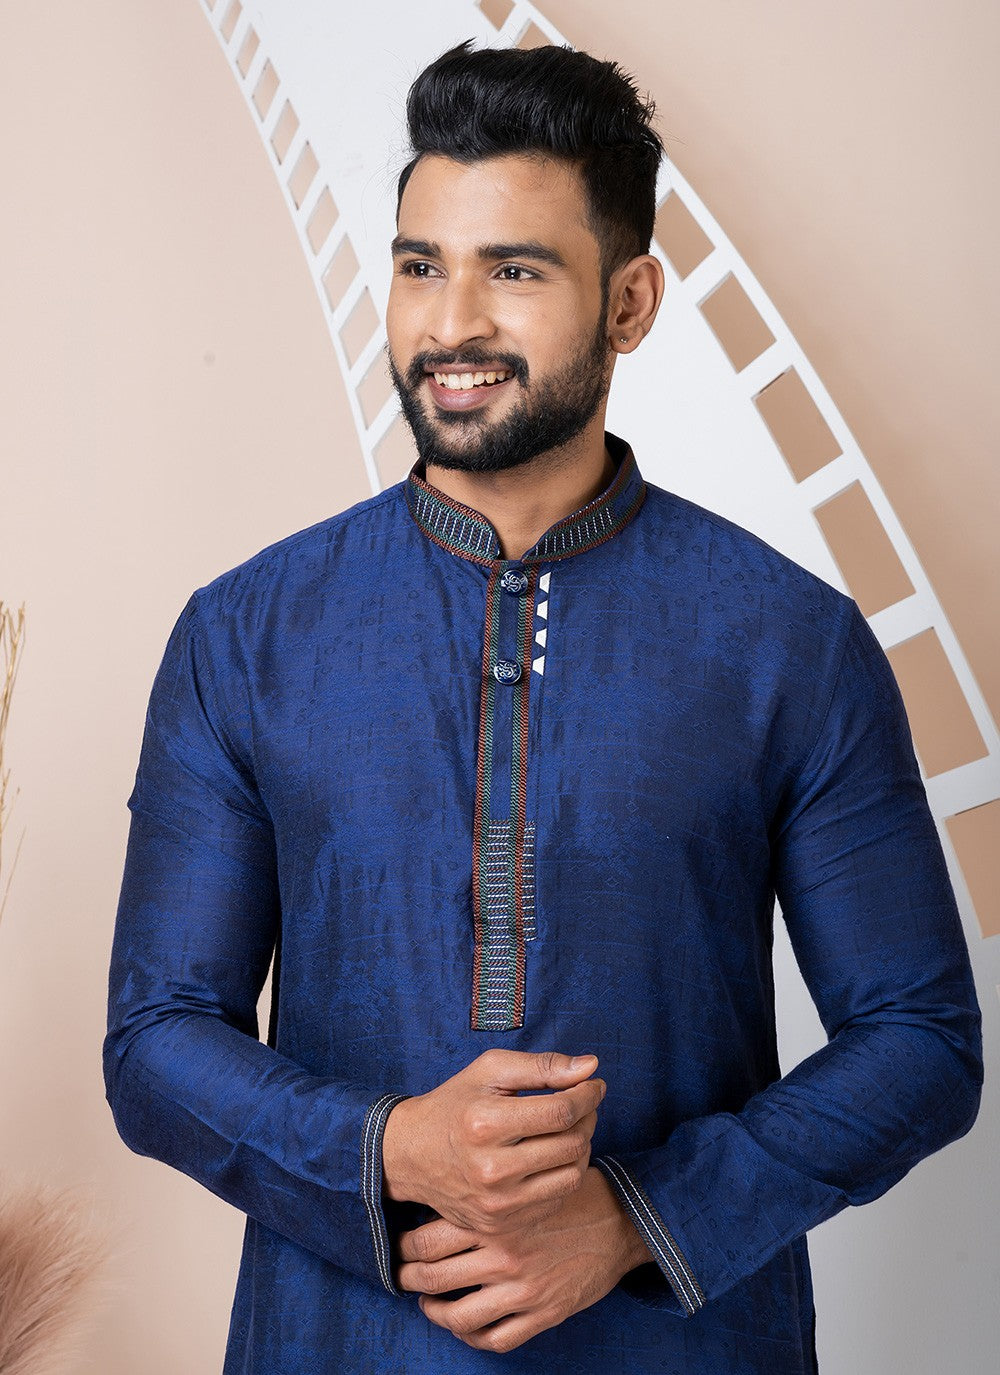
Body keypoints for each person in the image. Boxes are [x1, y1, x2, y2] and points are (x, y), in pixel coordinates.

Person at [103, 39, 983, 1374]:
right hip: (340, 1345)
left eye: (513, 271)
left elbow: (920, 1039)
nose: (451, 324)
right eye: (420, 266)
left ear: (630, 302)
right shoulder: (246, 636)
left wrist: (635, 1219)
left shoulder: (788, 642)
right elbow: (156, 1041)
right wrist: (391, 1148)